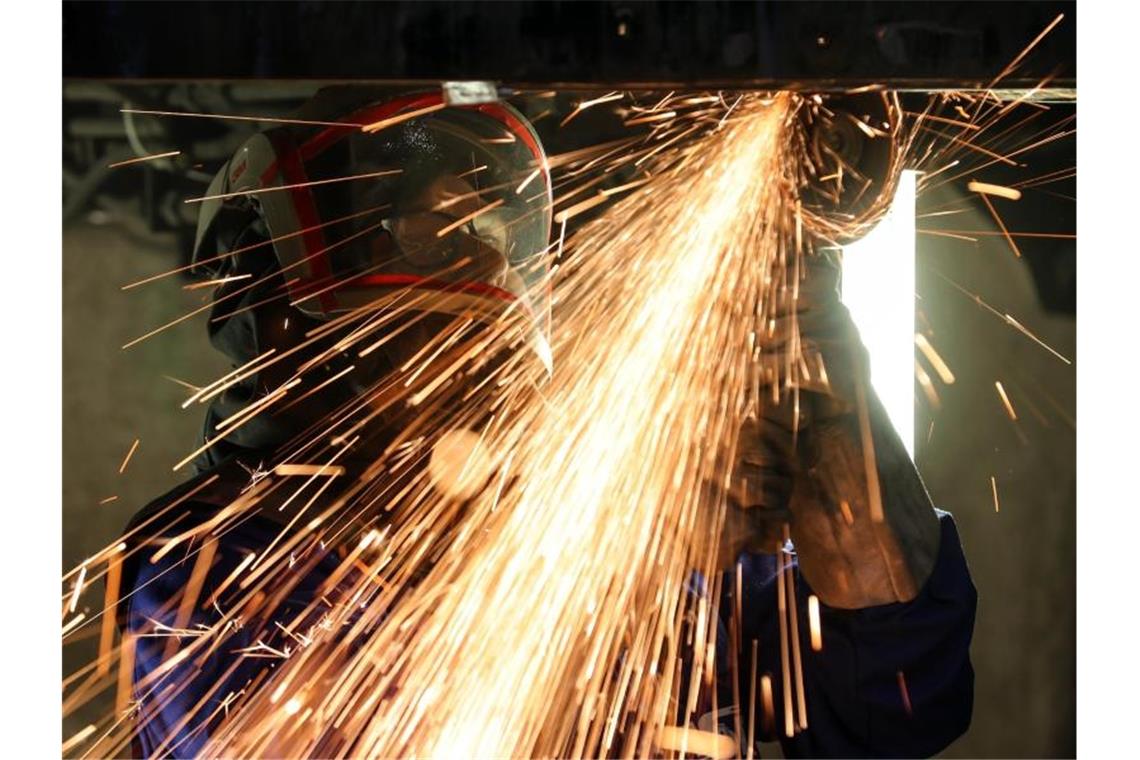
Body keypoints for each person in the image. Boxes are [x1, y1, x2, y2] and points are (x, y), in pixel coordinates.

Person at [116, 88, 975, 759]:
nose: (461, 240)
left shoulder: (617, 532)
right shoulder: (197, 560)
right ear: (276, 324)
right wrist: (620, 574)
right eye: (412, 337)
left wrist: (820, 354)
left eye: (463, 336)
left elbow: (897, 693)